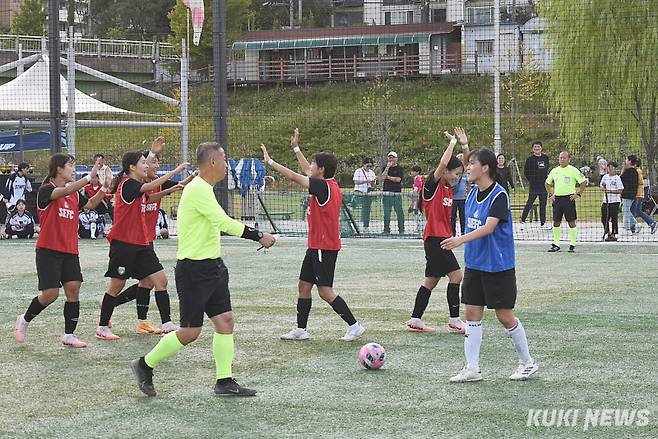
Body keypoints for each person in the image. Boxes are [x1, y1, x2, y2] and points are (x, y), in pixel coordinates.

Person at [130, 142, 276, 397]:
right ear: (212, 162)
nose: (227, 165)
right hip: (194, 271)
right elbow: (223, 223)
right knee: (190, 332)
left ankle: (224, 381)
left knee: (225, 321)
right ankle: (144, 364)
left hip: (213, 267)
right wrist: (258, 235)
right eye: (224, 159)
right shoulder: (198, 189)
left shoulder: (204, 188)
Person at [441, 148, 538, 383]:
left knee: (504, 316)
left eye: (472, 163)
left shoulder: (499, 195)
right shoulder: (473, 192)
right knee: (472, 314)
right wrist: (465, 147)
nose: (467, 167)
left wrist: (459, 239)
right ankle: (472, 368)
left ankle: (528, 363)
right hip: (475, 263)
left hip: (498, 266)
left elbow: (488, 228)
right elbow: (468, 162)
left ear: (485, 168)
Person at [261, 130, 366, 342]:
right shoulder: (326, 184)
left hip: (324, 247)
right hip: (316, 246)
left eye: (313, 164)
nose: (309, 167)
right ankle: (301, 329)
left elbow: (294, 176)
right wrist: (296, 148)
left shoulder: (322, 186)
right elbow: (306, 172)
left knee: (325, 291)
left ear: (322, 170)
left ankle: (355, 326)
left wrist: (270, 161)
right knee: (304, 286)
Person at [14, 155, 112, 348]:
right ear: (59, 169)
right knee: (50, 294)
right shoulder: (46, 190)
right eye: (70, 165)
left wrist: (105, 187)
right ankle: (24, 320)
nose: (73, 169)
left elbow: (91, 204)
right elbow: (65, 190)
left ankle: (69, 335)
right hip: (48, 251)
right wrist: (89, 177)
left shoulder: (74, 194)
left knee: (73, 289)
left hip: (70, 250)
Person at [95, 151, 189, 341]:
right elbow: (151, 186)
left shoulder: (138, 188)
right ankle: (102, 327)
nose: (147, 166)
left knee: (160, 280)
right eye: (143, 163)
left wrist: (174, 187)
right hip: (123, 244)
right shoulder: (128, 185)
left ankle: (167, 324)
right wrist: (175, 171)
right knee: (116, 285)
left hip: (141, 244)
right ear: (132, 167)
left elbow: (151, 197)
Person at [406, 128, 469, 334]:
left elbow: (465, 165)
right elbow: (443, 164)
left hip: (440, 239)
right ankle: (454, 320)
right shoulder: (431, 186)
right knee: (457, 276)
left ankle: (415, 319)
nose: (458, 177)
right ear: (446, 172)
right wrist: (452, 144)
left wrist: (464, 145)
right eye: (456, 174)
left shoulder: (450, 187)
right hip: (436, 239)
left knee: (431, 281)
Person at [545, 151, 587, 253]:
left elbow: (583, 182)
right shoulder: (555, 171)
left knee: (571, 222)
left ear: (569, 159)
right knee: (556, 222)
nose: (562, 159)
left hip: (569, 199)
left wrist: (578, 194)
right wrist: (551, 194)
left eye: (564, 158)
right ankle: (556, 244)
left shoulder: (573, 170)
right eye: (560, 158)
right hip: (557, 199)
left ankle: (572, 244)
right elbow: (547, 183)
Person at [520, 142, 550, 230]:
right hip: (534, 186)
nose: (537, 148)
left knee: (543, 204)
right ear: (533, 148)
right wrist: (532, 180)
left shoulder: (545, 158)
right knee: (529, 203)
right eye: (535, 147)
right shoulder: (530, 159)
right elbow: (526, 172)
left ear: (541, 148)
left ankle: (543, 223)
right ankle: (522, 221)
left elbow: (547, 169)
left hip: (543, 186)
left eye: (538, 146)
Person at [381, 151, 405, 234]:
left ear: (396, 159)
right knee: (386, 212)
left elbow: (398, 179)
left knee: (399, 212)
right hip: (386, 194)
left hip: (396, 194)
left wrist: (388, 177)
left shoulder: (400, 169)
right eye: (389, 157)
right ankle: (386, 230)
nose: (391, 159)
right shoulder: (385, 167)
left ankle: (401, 229)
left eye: (393, 157)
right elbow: (383, 177)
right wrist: (387, 168)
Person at [600, 162, 623, 242]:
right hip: (606, 201)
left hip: (615, 201)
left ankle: (614, 233)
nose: (609, 169)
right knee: (604, 217)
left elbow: (620, 191)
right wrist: (603, 187)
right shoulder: (605, 177)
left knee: (614, 218)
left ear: (614, 168)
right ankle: (607, 231)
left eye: (611, 167)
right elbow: (601, 186)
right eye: (608, 167)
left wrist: (609, 191)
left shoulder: (617, 178)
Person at [632, 160, 657, 234]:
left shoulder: (637, 171)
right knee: (637, 211)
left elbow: (639, 182)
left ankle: (633, 227)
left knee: (633, 211)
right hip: (639, 194)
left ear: (635, 164)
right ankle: (651, 223)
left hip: (638, 194)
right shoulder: (637, 171)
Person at [352, 157, 376, 233]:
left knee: (366, 210)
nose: (369, 167)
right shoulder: (358, 171)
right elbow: (356, 181)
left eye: (370, 166)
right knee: (353, 208)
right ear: (363, 165)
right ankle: (349, 223)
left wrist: (372, 183)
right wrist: (366, 181)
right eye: (367, 166)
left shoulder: (372, 172)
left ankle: (366, 226)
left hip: (368, 193)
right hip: (359, 192)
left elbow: (373, 184)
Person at [620, 155, 640, 234]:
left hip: (628, 194)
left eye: (626, 160)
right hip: (631, 194)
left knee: (626, 211)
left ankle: (628, 228)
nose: (625, 161)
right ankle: (633, 225)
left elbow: (620, 179)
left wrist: (623, 169)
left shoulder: (629, 171)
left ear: (630, 161)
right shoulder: (634, 171)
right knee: (626, 210)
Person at [451, 153, 469, 236]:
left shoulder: (466, 173)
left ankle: (463, 232)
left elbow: (469, 184)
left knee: (463, 216)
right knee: (452, 216)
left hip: (463, 198)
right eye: (460, 159)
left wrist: (468, 194)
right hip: (453, 197)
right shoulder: (453, 172)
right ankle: (452, 232)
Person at [408, 165, 423, 232]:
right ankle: (418, 226)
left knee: (417, 212)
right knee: (415, 212)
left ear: (417, 172)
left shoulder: (418, 178)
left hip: (418, 198)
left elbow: (419, 187)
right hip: (415, 198)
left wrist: (415, 192)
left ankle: (420, 227)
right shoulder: (415, 178)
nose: (411, 172)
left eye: (413, 171)